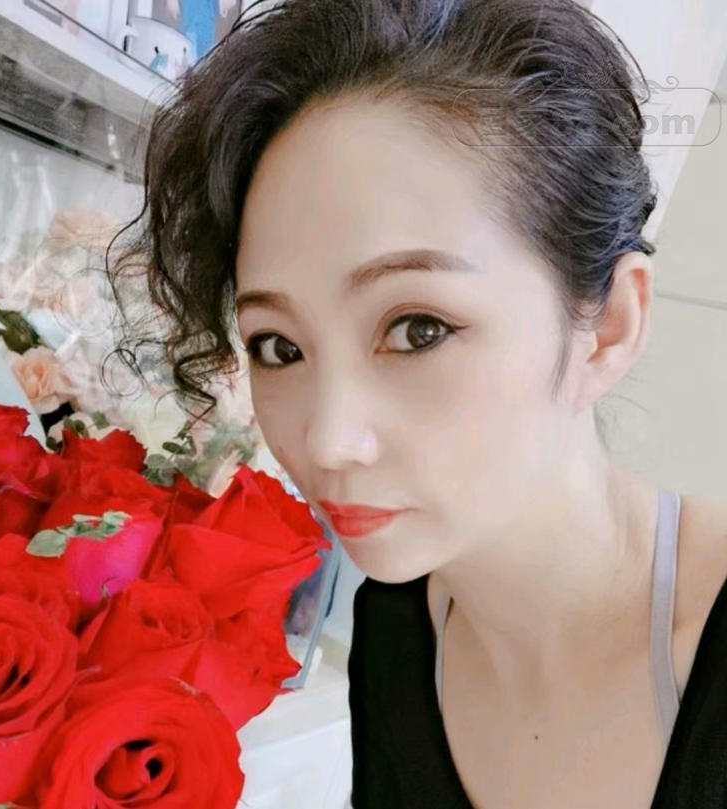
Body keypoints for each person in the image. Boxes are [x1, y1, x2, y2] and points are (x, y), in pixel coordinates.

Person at [108, 0, 727, 806]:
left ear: (607, 326)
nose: (327, 440)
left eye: (417, 328)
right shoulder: (397, 629)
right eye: (279, 347)